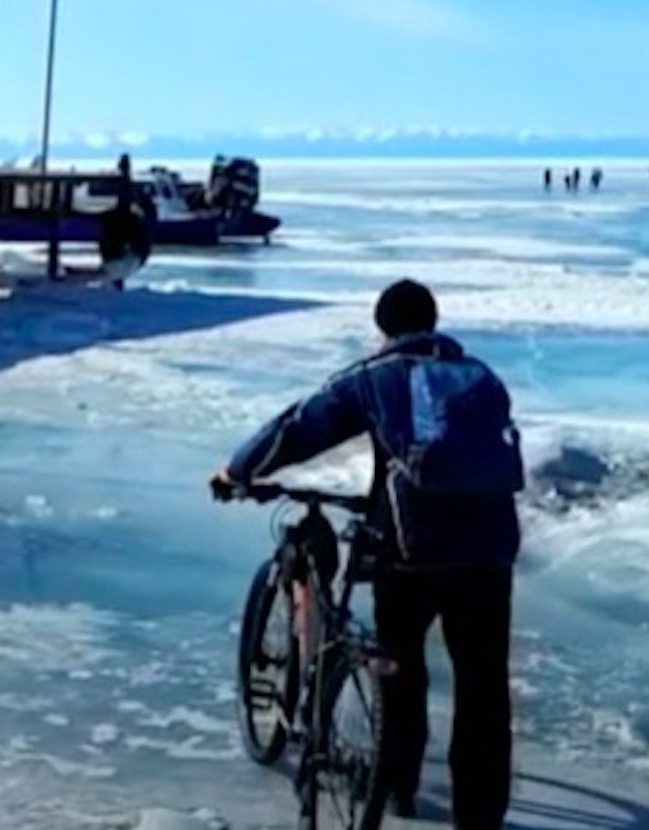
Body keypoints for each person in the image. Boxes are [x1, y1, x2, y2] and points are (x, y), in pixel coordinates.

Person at [208, 279, 522, 829]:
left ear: (383, 329)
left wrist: (236, 471)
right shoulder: (481, 378)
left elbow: (298, 428)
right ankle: (480, 817)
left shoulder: (378, 376)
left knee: (399, 669)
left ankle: (396, 786)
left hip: (413, 549)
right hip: (490, 549)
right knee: (483, 686)